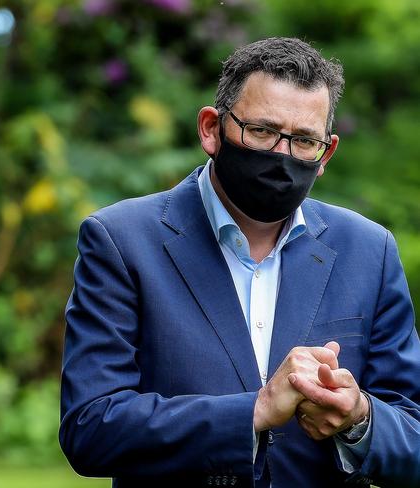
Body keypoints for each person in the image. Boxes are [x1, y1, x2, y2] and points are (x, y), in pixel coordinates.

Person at [59, 37, 420, 487]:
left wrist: (360, 418)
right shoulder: (121, 240)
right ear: (211, 129)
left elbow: (414, 434)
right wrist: (255, 410)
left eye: (304, 140)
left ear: (325, 154)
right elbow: (90, 428)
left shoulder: (370, 251)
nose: (281, 156)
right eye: (263, 131)